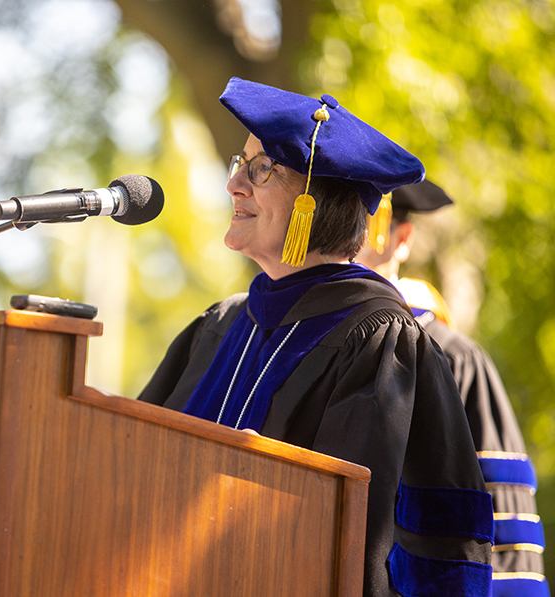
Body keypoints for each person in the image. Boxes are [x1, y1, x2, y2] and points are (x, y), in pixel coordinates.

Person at [137, 77, 493, 597]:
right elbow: (131, 462)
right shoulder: (218, 328)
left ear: (315, 201)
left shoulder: (380, 344)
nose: (235, 185)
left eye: (262, 170)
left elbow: (368, 548)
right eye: (240, 165)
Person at [356, 180, 550, 597]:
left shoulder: (453, 355)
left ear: (401, 239)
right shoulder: (310, 344)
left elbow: (503, 527)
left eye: (364, 222)